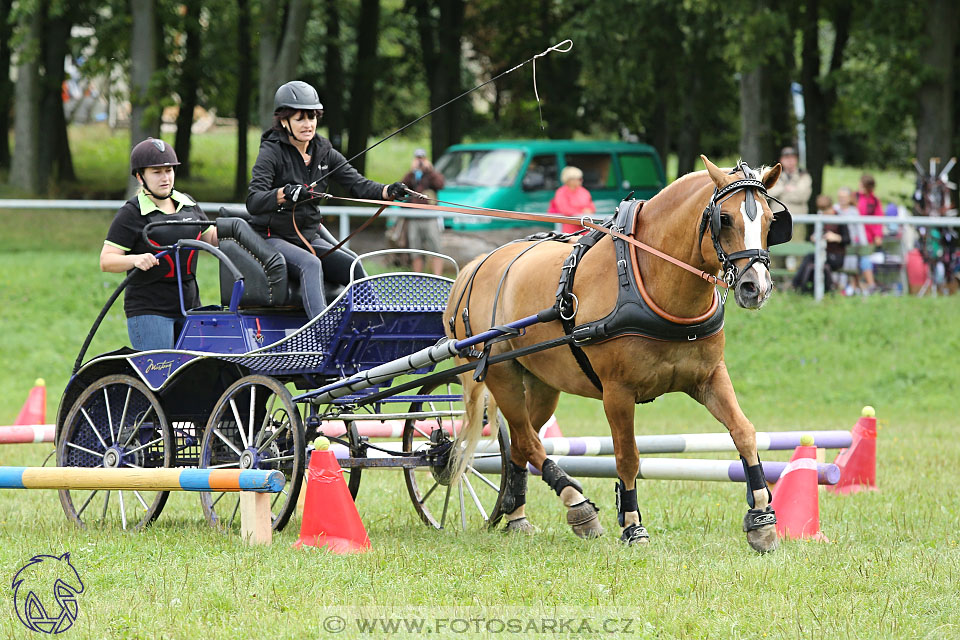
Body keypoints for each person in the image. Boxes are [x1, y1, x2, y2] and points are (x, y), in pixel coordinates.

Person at [247, 80, 407, 318]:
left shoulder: (324, 152)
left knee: (352, 265)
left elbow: (357, 184)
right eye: (300, 119)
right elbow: (254, 200)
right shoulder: (271, 152)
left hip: (308, 236)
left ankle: (374, 326)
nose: (308, 124)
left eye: (312, 117)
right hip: (273, 237)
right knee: (310, 264)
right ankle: (320, 332)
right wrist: (285, 193)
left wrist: (388, 191)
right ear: (284, 121)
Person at [100, 138, 217, 350]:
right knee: (162, 370)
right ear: (140, 176)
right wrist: (135, 259)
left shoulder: (188, 204)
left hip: (190, 308)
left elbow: (213, 239)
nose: (165, 178)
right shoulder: (131, 213)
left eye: (169, 171)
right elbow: (106, 261)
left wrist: (244, 228)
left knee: (197, 370)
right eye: (156, 172)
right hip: (150, 311)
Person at [400, 148, 446, 275]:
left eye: (422, 158)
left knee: (436, 249)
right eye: (418, 158)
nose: (420, 161)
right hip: (414, 217)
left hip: (430, 217)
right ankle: (418, 279)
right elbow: (401, 187)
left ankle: (438, 279)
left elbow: (440, 184)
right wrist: (412, 171)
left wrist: (430, 170)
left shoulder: (431, 174)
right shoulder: (412, 176)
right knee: (416, 251)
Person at [766, 146, 812, 236]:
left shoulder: (803, 175)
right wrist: (785, 189)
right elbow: (768, 193)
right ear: (781, 160)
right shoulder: (775, 176)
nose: (790, 161)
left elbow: (802, 196)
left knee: (797, 243)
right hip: (778, 219)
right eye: (786, 158)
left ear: (796, 160)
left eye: (792, 158)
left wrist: (780, 194)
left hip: (798, 220)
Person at [856, 174, 884, 293]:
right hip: (856, 236)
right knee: (859, 259)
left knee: (865, 258)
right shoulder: (855, 197)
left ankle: (868, 285)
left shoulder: (874, 201)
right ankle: (867, 284)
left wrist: (878, 235)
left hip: (868, 238)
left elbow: (879, 219)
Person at [548, 166, 595, 234]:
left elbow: (591, 207)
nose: (581, 180)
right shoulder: (561, 192)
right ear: (570, 180)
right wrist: (582, 211)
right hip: (570, 228)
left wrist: (589, 210)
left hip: (585, 227)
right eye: (579, 179)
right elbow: (565, 209)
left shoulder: (584, 191)